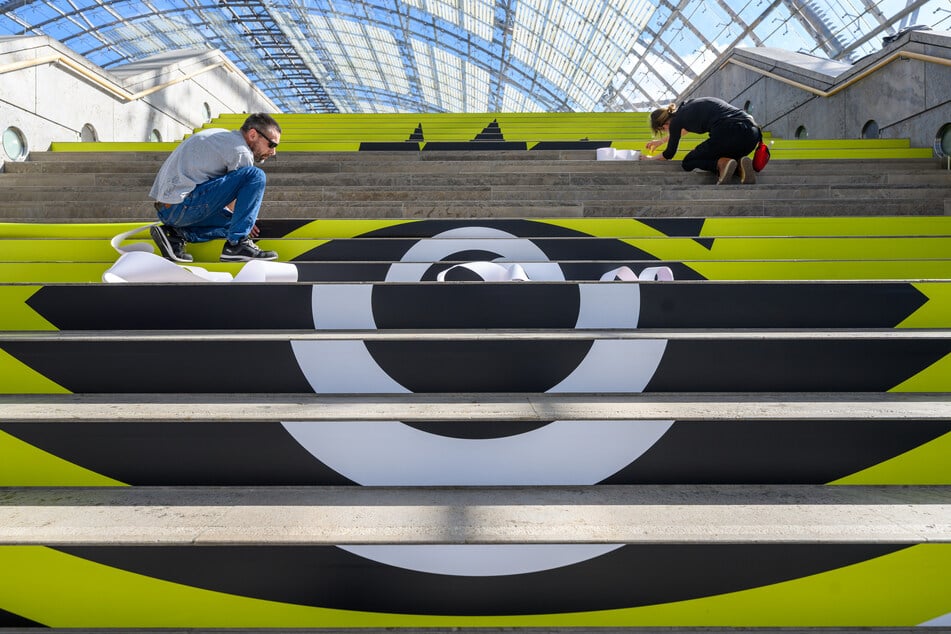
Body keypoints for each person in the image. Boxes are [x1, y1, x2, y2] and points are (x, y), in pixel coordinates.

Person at [148, 113, 281, 262]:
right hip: (183, 205)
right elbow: (235, 202)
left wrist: (244, 220)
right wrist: (247, 221)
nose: (273, 152)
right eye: (272, 144)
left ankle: (174, 234)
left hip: (168, 210)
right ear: (252, 134)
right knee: (255, 176)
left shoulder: (221, 137)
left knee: (234, 224)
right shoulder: (241, 150)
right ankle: (237, 245)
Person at [639, 97, 761, 185]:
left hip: (730, 133)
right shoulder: (688, 106)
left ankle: (722, 164)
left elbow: (669, 154)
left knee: (688, 161)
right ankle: (740, 168)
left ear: (663, 124)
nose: (667, 132)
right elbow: (684, 130)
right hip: (752, 135)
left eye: (663, 130)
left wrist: (650, 159)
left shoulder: (676, 122)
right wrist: (661, 142)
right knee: (704, 152)